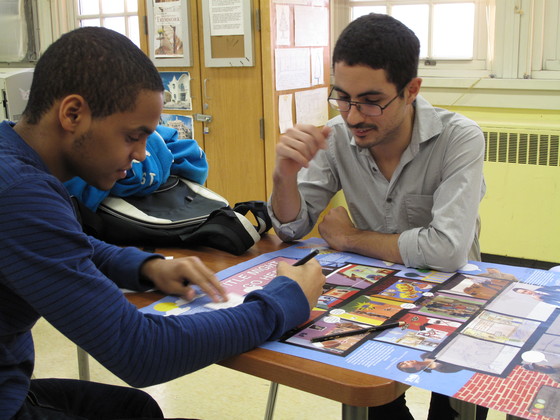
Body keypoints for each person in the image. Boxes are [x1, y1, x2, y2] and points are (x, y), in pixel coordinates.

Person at [0, 27, 326, 420]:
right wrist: (284, 301)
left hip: (11, 386)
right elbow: (140, 352)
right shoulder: (20, 193)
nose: (140, 155)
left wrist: (144, 266)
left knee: (136, 410)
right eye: (132, 136)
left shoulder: (14, 156)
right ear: (73, 114)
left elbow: (66, 245)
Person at [268, 13, 486, 420]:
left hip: (453, 303)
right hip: (375, 303)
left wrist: (351, 238)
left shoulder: (460, 138)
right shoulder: (338, 138)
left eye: (371, 101)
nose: (353, 116)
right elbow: (291, 227)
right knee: (372, 400)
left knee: (457, 407)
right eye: (343, 97)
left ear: (411, 90)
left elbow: (448, 250)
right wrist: (283, 176)